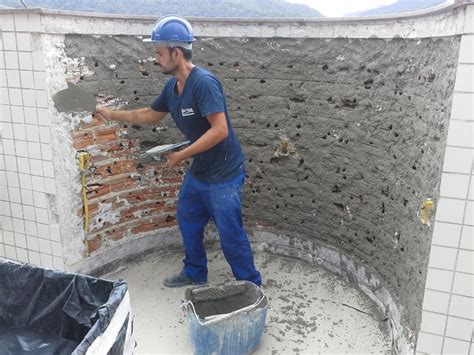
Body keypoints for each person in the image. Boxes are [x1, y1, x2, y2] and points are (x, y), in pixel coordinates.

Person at [95, 15, 262, 287]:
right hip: (200, 172)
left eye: (159, 53)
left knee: (230, 234)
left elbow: (220, 130)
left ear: (176, 52)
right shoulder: (172, 87)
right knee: (188, 221)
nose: (156, 59)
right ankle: (195, 272)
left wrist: (181, 155)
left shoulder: (204, 83)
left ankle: (251, 285)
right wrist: (111, 114)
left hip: (224, 174)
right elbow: (151, 115)